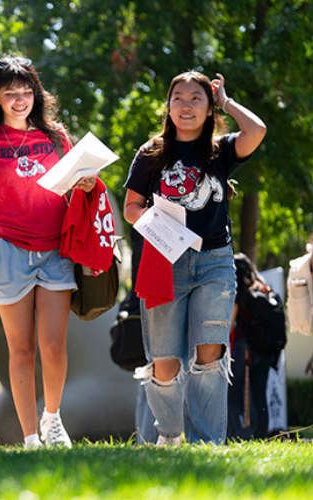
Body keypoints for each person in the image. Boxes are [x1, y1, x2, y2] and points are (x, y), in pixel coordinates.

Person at [0, 56, 97, 449]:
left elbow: (74, 186)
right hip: (7, 252)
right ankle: (30, 436)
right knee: (23, 349)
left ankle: (52, 420)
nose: (20, 100)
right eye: (11, 93)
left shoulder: (56, 136)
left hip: (55, 250)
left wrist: (85, 184)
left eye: (26, 92)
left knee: (53, 345)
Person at [123, 71, 267, 445]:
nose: (186, 105)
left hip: (214, 263)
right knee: (165, 363)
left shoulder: (220, 150)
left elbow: (258, 131)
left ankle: (207, 444)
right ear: (168, 108)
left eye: (196, 99)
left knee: (209, 355)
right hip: (164, 263)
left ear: (208, 109)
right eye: (178, 98)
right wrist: (160, 226)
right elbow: (131, 208)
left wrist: (227, 102)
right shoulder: (150, 153)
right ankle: (169, 436)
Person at [227, 253, 279, 440]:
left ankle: (236, 435)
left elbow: (232, 322)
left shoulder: (240, 291)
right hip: (266, 350)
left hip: (244, 349)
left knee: (233, 395)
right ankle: (260, 436)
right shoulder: (262, 287)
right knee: (259, 396)